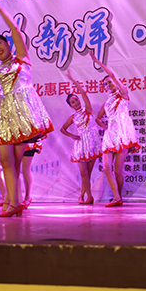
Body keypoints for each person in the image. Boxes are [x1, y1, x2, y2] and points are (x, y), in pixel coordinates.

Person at [0, 0, 54, 217]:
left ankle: (13, 203)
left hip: (23, 117)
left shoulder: (22, 59)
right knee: (5, 161)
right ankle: (13, 203)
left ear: (8, 44)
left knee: (17, 163)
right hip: (4, 117)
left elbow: (15, 30)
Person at [90, 51, 140, 207]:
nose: (109, 85)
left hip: (122, 134)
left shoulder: (123, 95)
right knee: (106, 168)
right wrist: (105, 126)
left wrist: (98, 62)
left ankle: (118, 198)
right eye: (106, 84)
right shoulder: (107, 102)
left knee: (118, 170)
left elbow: (112, 74)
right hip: (110, 135)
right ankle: (117, 197)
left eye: (111, 82)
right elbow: (98, 118)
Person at [60, 69, 103, 204]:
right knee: (84, 174)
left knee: (87, 174)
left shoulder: (88, 110)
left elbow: (83, 93)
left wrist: (72, 80)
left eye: (76, 99)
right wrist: (72, 136)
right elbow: (62, 129)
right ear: (70, 105)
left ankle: (83, 195)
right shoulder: (73, 117)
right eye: (73, 102)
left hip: (92, 143)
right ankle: (89, 197)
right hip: (81, 145)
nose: (76, 102)